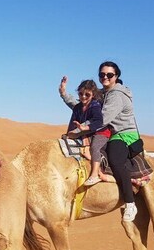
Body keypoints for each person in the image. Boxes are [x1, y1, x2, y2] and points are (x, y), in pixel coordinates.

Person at [98, 61, 141, 222]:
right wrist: (64, 95)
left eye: (109, 75)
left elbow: (102, 119)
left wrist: (83, 128)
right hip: (111, 132)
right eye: (102, 74)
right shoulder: (104, 93)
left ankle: (130, 203)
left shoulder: (116, 95)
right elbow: (85, 106)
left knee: (115, 160)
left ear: (116, 76)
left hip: (124, 134)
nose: (105, 77)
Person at [58, 76, 114, 186]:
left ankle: (94, 175)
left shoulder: (95, 106)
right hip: (86, 132)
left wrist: (86, 128)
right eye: (80, 94)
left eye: (87, 94)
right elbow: (71, 102)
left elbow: (99, 121)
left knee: (94, 147)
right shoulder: (78, 107)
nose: (83, 97)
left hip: (100, 132)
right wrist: (63, 92)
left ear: (93, 95)